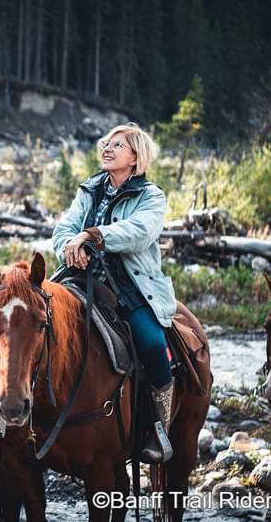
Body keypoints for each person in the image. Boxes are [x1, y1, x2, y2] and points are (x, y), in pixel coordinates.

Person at [51, 123, 176, 463]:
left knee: (152, 343)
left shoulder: (151, 196)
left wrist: (91, 236)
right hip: (79, 277)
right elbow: (64, 228)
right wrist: (68, 247)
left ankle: (158, 429)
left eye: (117, 145)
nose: (106, 148)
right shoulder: (88, 190)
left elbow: (138, 232)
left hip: (129, 286)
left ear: (135, 157)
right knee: (32, 318)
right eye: (106, 143)